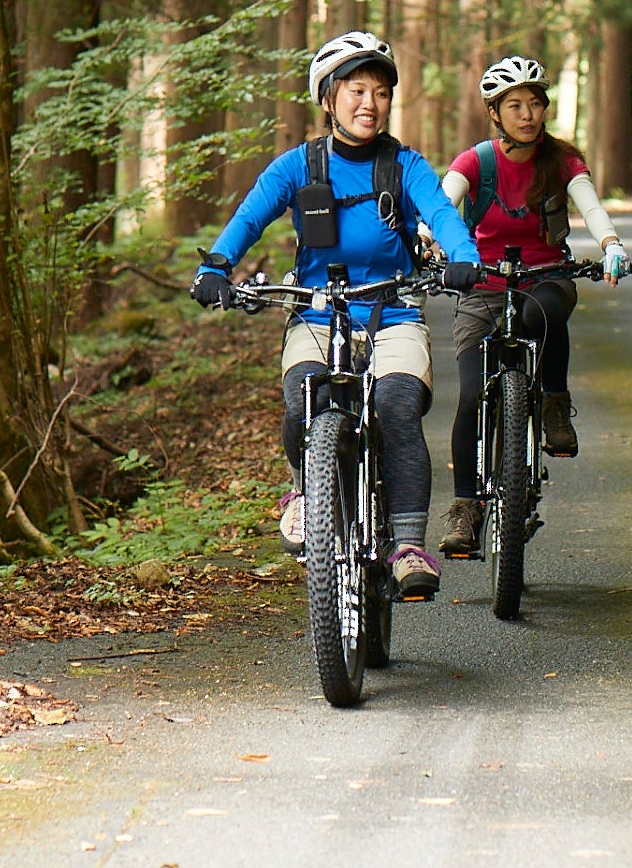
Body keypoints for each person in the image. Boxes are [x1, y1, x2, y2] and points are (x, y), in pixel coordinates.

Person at [191, 31, 485, 602]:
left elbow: (444, 216)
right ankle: (306, 492)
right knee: (304, 391)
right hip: (318, 311)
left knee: (398, 404)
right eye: (356, 90)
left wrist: (465, 260)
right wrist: (217, 267)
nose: (368, 103)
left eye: (379, 91)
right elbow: (250, 216)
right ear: (328, 99)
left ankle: (405, 547)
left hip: (392, 310)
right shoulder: (298, 166)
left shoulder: (405, 165)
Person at [431, 56, 631, 559]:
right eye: (514, 105)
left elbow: (590, 204)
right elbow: (440, 205)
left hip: (546, 277)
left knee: (538, 314)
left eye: (535, 103)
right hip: (483, 284)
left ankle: (554, 402)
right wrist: (427, 242)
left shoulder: (561, 160)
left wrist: (610, 243)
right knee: (472, 396)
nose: (527, 114)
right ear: (495, 113)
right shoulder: (475, 161)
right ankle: (464, 508)